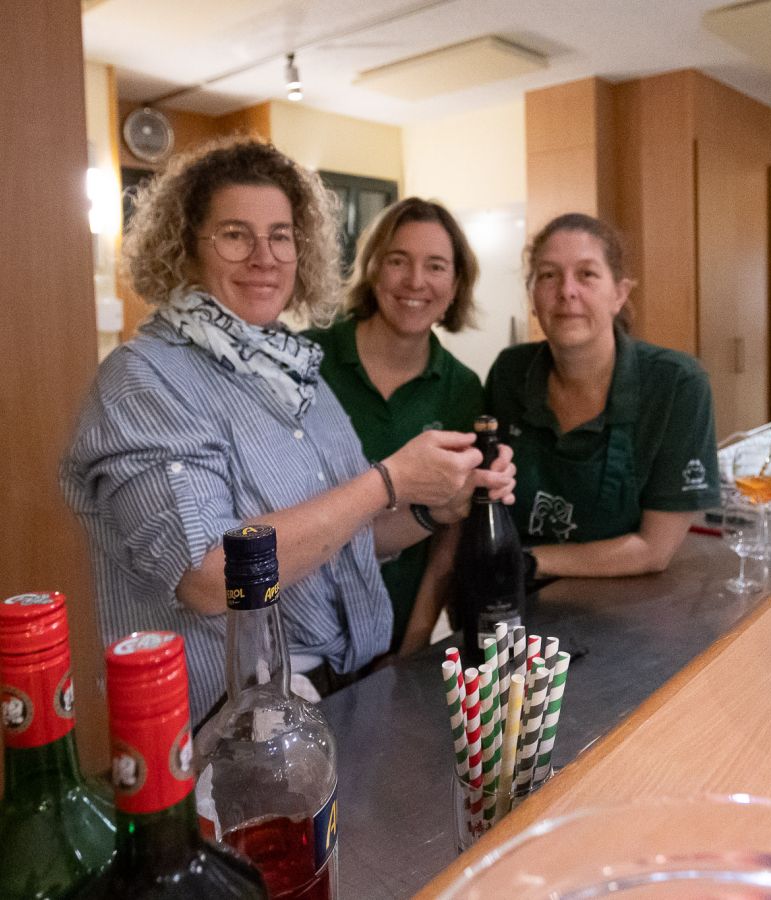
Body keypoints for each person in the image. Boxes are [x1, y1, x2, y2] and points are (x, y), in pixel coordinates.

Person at [61, 137, 514, 724]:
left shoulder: (296, 371)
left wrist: (434, 508)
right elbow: (209, 576)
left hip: (336, 692)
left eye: (280, 236)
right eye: (234, 235)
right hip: (224, 722)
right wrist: (388, 482)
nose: (264, 257)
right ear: (184, 248)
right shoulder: (146, 378)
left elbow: (342, 539)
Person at [485, 213, 719, 582]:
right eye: (548, 275)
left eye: (587, 274)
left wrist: (525, 561)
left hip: (622, 600)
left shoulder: (676, 384)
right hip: (513, 595)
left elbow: (655, 549)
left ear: (619, 294)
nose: (567, 291)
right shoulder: (509, 373)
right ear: (532, 296)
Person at [305, 198, 482, 655]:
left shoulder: (462, 389)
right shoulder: (307, 360)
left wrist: (412, 645)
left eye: (436, 266)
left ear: (456, 284)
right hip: (300, 635)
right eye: (398, 261)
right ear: (373, 270)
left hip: (395, 633)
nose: (415, 281)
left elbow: (449, 534)